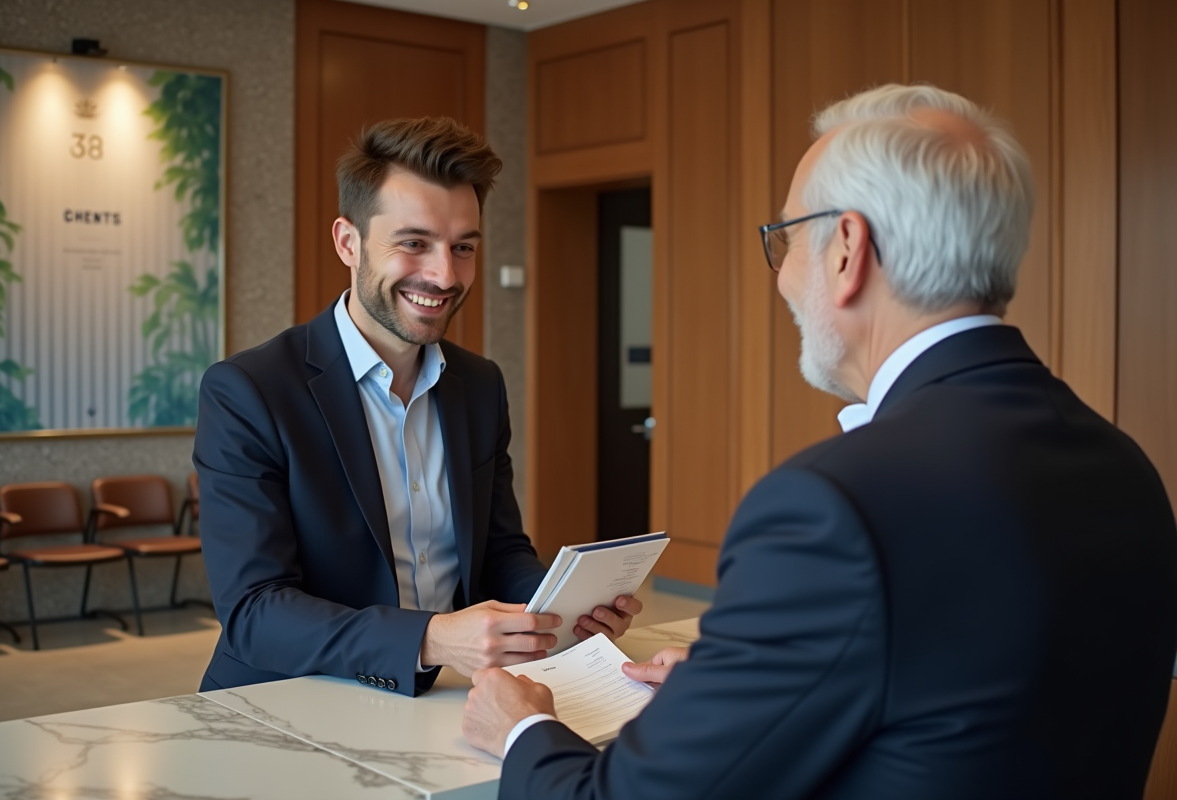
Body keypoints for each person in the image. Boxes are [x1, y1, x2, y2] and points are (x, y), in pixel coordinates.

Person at [461, 85, 1177, 799]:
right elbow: (968, 702)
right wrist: (745, 689)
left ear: (846, 249)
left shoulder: (830, 507)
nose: (782, 277)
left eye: (786, 238)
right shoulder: (1124, 466)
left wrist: (522, 731)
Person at [194, 117, 642, 697]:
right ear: (347, 242)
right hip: (287, 700)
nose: (444, 274)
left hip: (443, 699)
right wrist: (430, 639)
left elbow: (498, 550)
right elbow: (254, 612)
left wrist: (557, 611)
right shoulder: (248, 390)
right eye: (413, 243)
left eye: (463, 248)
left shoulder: (479, 384)